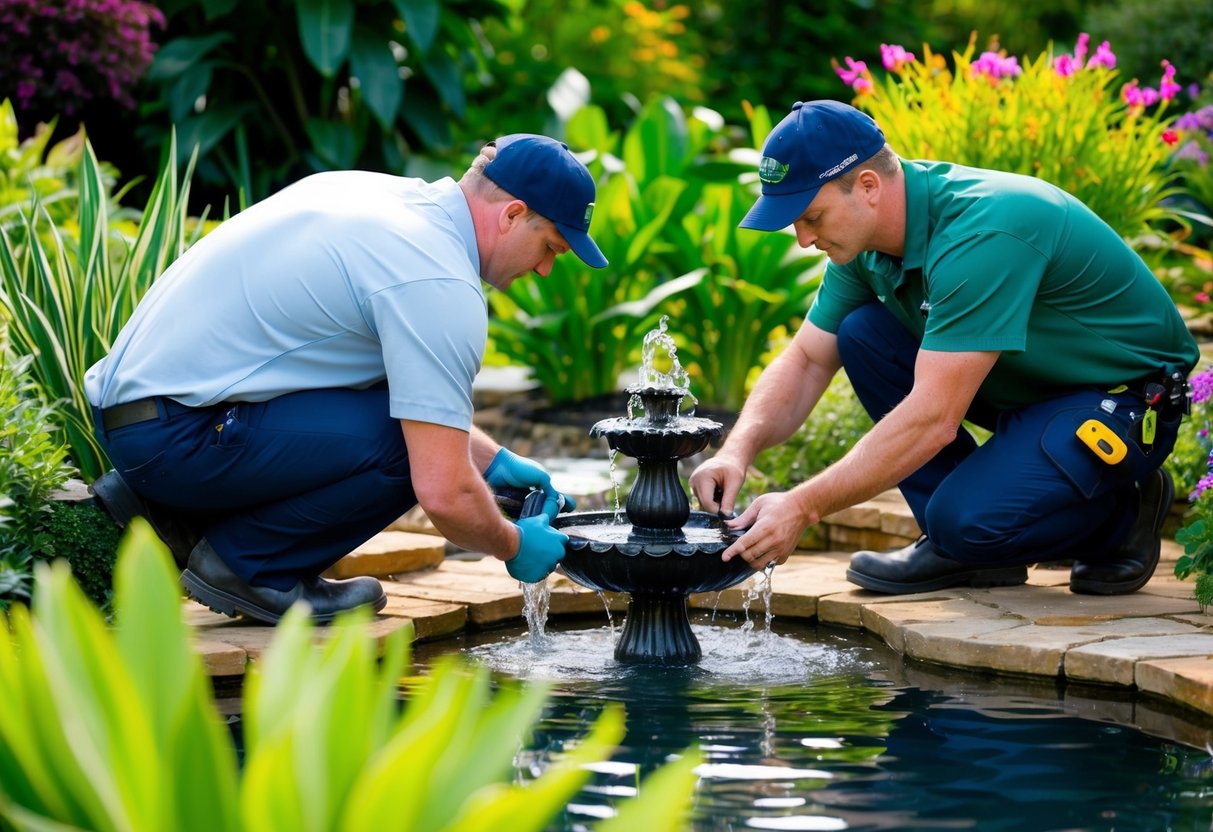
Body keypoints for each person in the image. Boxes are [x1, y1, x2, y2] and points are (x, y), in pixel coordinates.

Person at [85, 133, 605, 623]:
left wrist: (492, 463)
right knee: (410, 453)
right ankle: (250, 566)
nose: (544, 270)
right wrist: (514, 546)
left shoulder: (383, 197)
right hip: (176, 436)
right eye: (552, 248)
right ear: (513, 214)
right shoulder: (438, 280)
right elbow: (443, 491)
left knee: (408, 429)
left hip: (140, 418)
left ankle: (170, 511)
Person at [690, 100, 1197, 596]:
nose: (802, 238)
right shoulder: (863, 250)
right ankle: (966, 552)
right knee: (863, 334)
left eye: (811, 216)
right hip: (1036, 392)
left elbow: (934, 419)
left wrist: (803, 504)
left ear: (867, 186)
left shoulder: (983, 231)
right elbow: (805, 361)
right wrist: (736, 452)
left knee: (965, 521)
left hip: (1123, 402)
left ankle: (1121, 514)